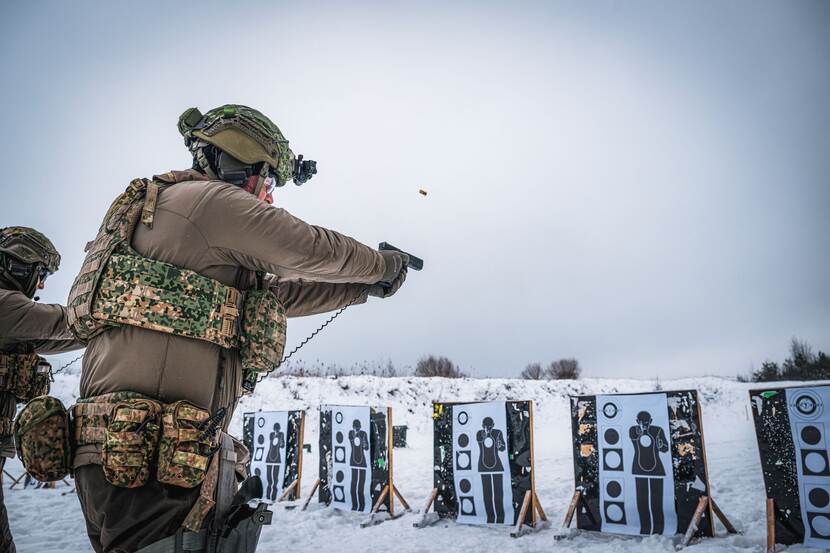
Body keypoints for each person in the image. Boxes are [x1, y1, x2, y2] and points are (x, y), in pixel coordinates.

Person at [66, 104, 410, 553]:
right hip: (152, 464)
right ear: (239, 166)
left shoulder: (171, 216)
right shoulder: (209, 203)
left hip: (123, 454)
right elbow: (306, 246)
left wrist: (361, 289)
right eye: (266, 181)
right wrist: (381, 264)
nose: (267, 196)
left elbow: (275, 299)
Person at [0, 226, 84, 553]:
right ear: (19, 266)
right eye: (40, 274)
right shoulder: (7, 306)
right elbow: (68, 322)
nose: (42, 285)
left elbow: (67, 334)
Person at [629, 410, 669, 534]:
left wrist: (660, 445)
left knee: (657, 503)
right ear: (637, 422)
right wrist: (643, 431)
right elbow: (635, 438)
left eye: (647, 423)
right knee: (642, 502)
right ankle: (644, 529)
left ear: (651, 421)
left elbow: (665, 448)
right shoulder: (633, 430)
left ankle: (659, 530)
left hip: (656, 469)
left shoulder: (658, 430)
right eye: (642, 423)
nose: (645, 425)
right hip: (639, 469)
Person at [476, 417, 506, 523]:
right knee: (487, 494)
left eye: (489, 426)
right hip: (484, 466)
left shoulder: (498, 433)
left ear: (493, 425)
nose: (487, 428)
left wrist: (500, 444)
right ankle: (490, 517)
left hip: (497, 465)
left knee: (499, 494)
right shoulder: (479, 433)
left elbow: (503, 448)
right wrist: (486, 434)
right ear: (482, 426)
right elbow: (480, 441)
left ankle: (501, 517)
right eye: (485, 426)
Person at [348, 419, 369, 511]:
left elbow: (367, 447)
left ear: (360, 427)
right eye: (355, 427)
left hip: (362, 461)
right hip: (353, 460)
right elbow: (353, 441)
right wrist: (357, 434)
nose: (356, 428)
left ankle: (362, 505)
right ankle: (354, 505)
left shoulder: (364, 433)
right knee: (353, 483)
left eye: (358, 427)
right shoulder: (350, 433)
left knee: (361, 484)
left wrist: (364, 443)